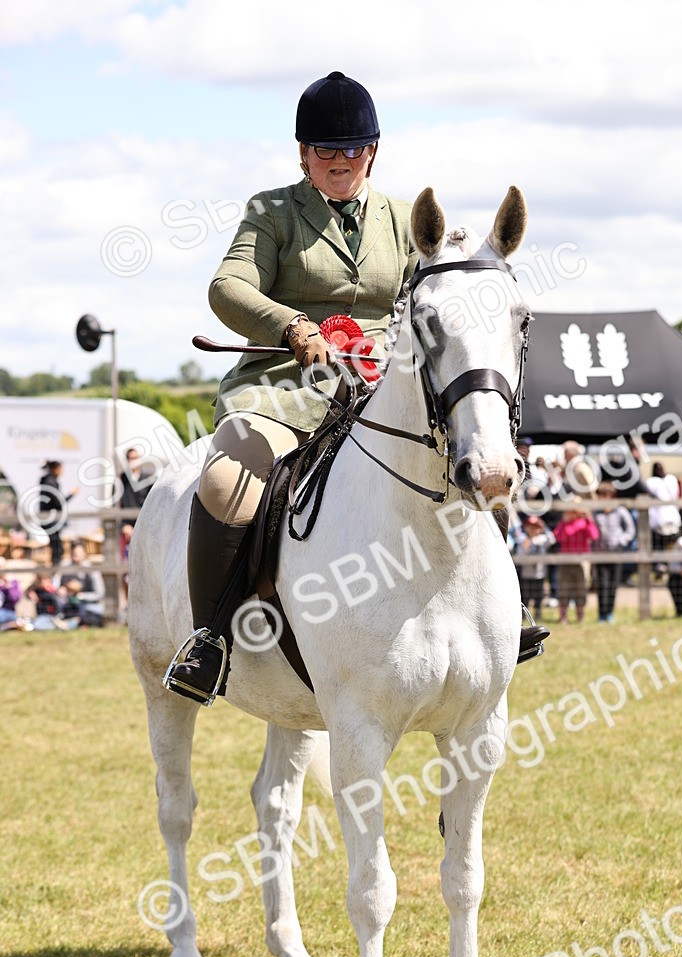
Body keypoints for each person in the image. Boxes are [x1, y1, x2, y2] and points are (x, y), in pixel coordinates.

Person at [165, 71, 547, 703]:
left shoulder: (404, 219)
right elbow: (226, 288)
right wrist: (293, 326)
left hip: (376, 388)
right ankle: (210, 639)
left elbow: (436, 294)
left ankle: (504, 613)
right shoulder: (272, 212)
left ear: (371, 151)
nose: (338, 162)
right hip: (281, 388)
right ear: (302, 153)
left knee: (473, 457)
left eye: (351, 150)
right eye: (324, 151)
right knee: (225, 483)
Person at [593, 482, 635, 622]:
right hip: (600, 555)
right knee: (602, 584)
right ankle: (601, 613)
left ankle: (609, 612)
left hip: (616, 554)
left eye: (605, 495)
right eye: (600, 495)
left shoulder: (620, 511)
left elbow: (630, 530)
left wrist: (620, 541)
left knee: (613, 584)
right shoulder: (595, 513)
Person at [552, 506, 599, 624]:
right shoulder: (564, 523)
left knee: (581, 588)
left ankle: (580, 615)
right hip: (565, 560)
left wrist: (588, 519)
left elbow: (594, 536)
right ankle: (563, 616)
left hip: (581, 561)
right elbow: (558, 537)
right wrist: (564, 522)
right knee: (564, 588)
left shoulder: (584, 522)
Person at [54, 543, 106, 627]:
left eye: (78, 554)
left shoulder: (91, 571)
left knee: (93, 613)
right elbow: (55, 583)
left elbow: (99, 594)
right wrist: (60, 589)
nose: (76, 558)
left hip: (88, 605)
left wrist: (81, 596)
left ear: (84, 553)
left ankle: (71, 623)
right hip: (69, 604)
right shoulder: (65, 567)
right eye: (74, 554)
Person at [38, 460, 77, 567]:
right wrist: (71, 495)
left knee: (56, 546)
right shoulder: (50, 482)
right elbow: (58, 503)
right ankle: (55, 570)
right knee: (57, 548)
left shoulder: (47, 481)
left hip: (49, 518)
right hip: (51, 519)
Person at [645, 462, 682, 570]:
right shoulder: (671, 480)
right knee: (670, 545)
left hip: (660, 519)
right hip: (672, 518)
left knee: (659, 547)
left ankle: (661, 566)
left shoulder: (652, 482)